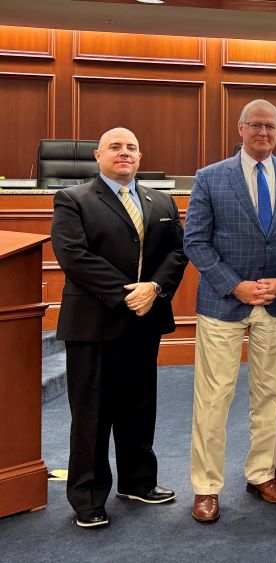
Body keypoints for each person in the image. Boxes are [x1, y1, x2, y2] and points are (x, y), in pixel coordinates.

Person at [184, 99, 276, 523]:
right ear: (240, 128)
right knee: (214, 397)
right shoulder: (210, 177)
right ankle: (206, 487)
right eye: (256, 125)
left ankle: (261, 474)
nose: (264, 133)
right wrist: (233, 284)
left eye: (271, 127)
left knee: (269, 395)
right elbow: (195, 242)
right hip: (223, 302)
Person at [51, 127, 188, 528]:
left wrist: (156, 288)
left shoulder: (160, 200)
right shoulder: (73, 199)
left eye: (131, 147)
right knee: (93, 412)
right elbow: (73, 255)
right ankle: (88, 497)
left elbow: (179, 251)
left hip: (144, 322)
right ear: (98, 155)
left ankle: (138, 481)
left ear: (140, 157)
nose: (124, 153)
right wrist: (128, 293)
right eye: (115, 147)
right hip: (94, 321)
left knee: (139, 406)